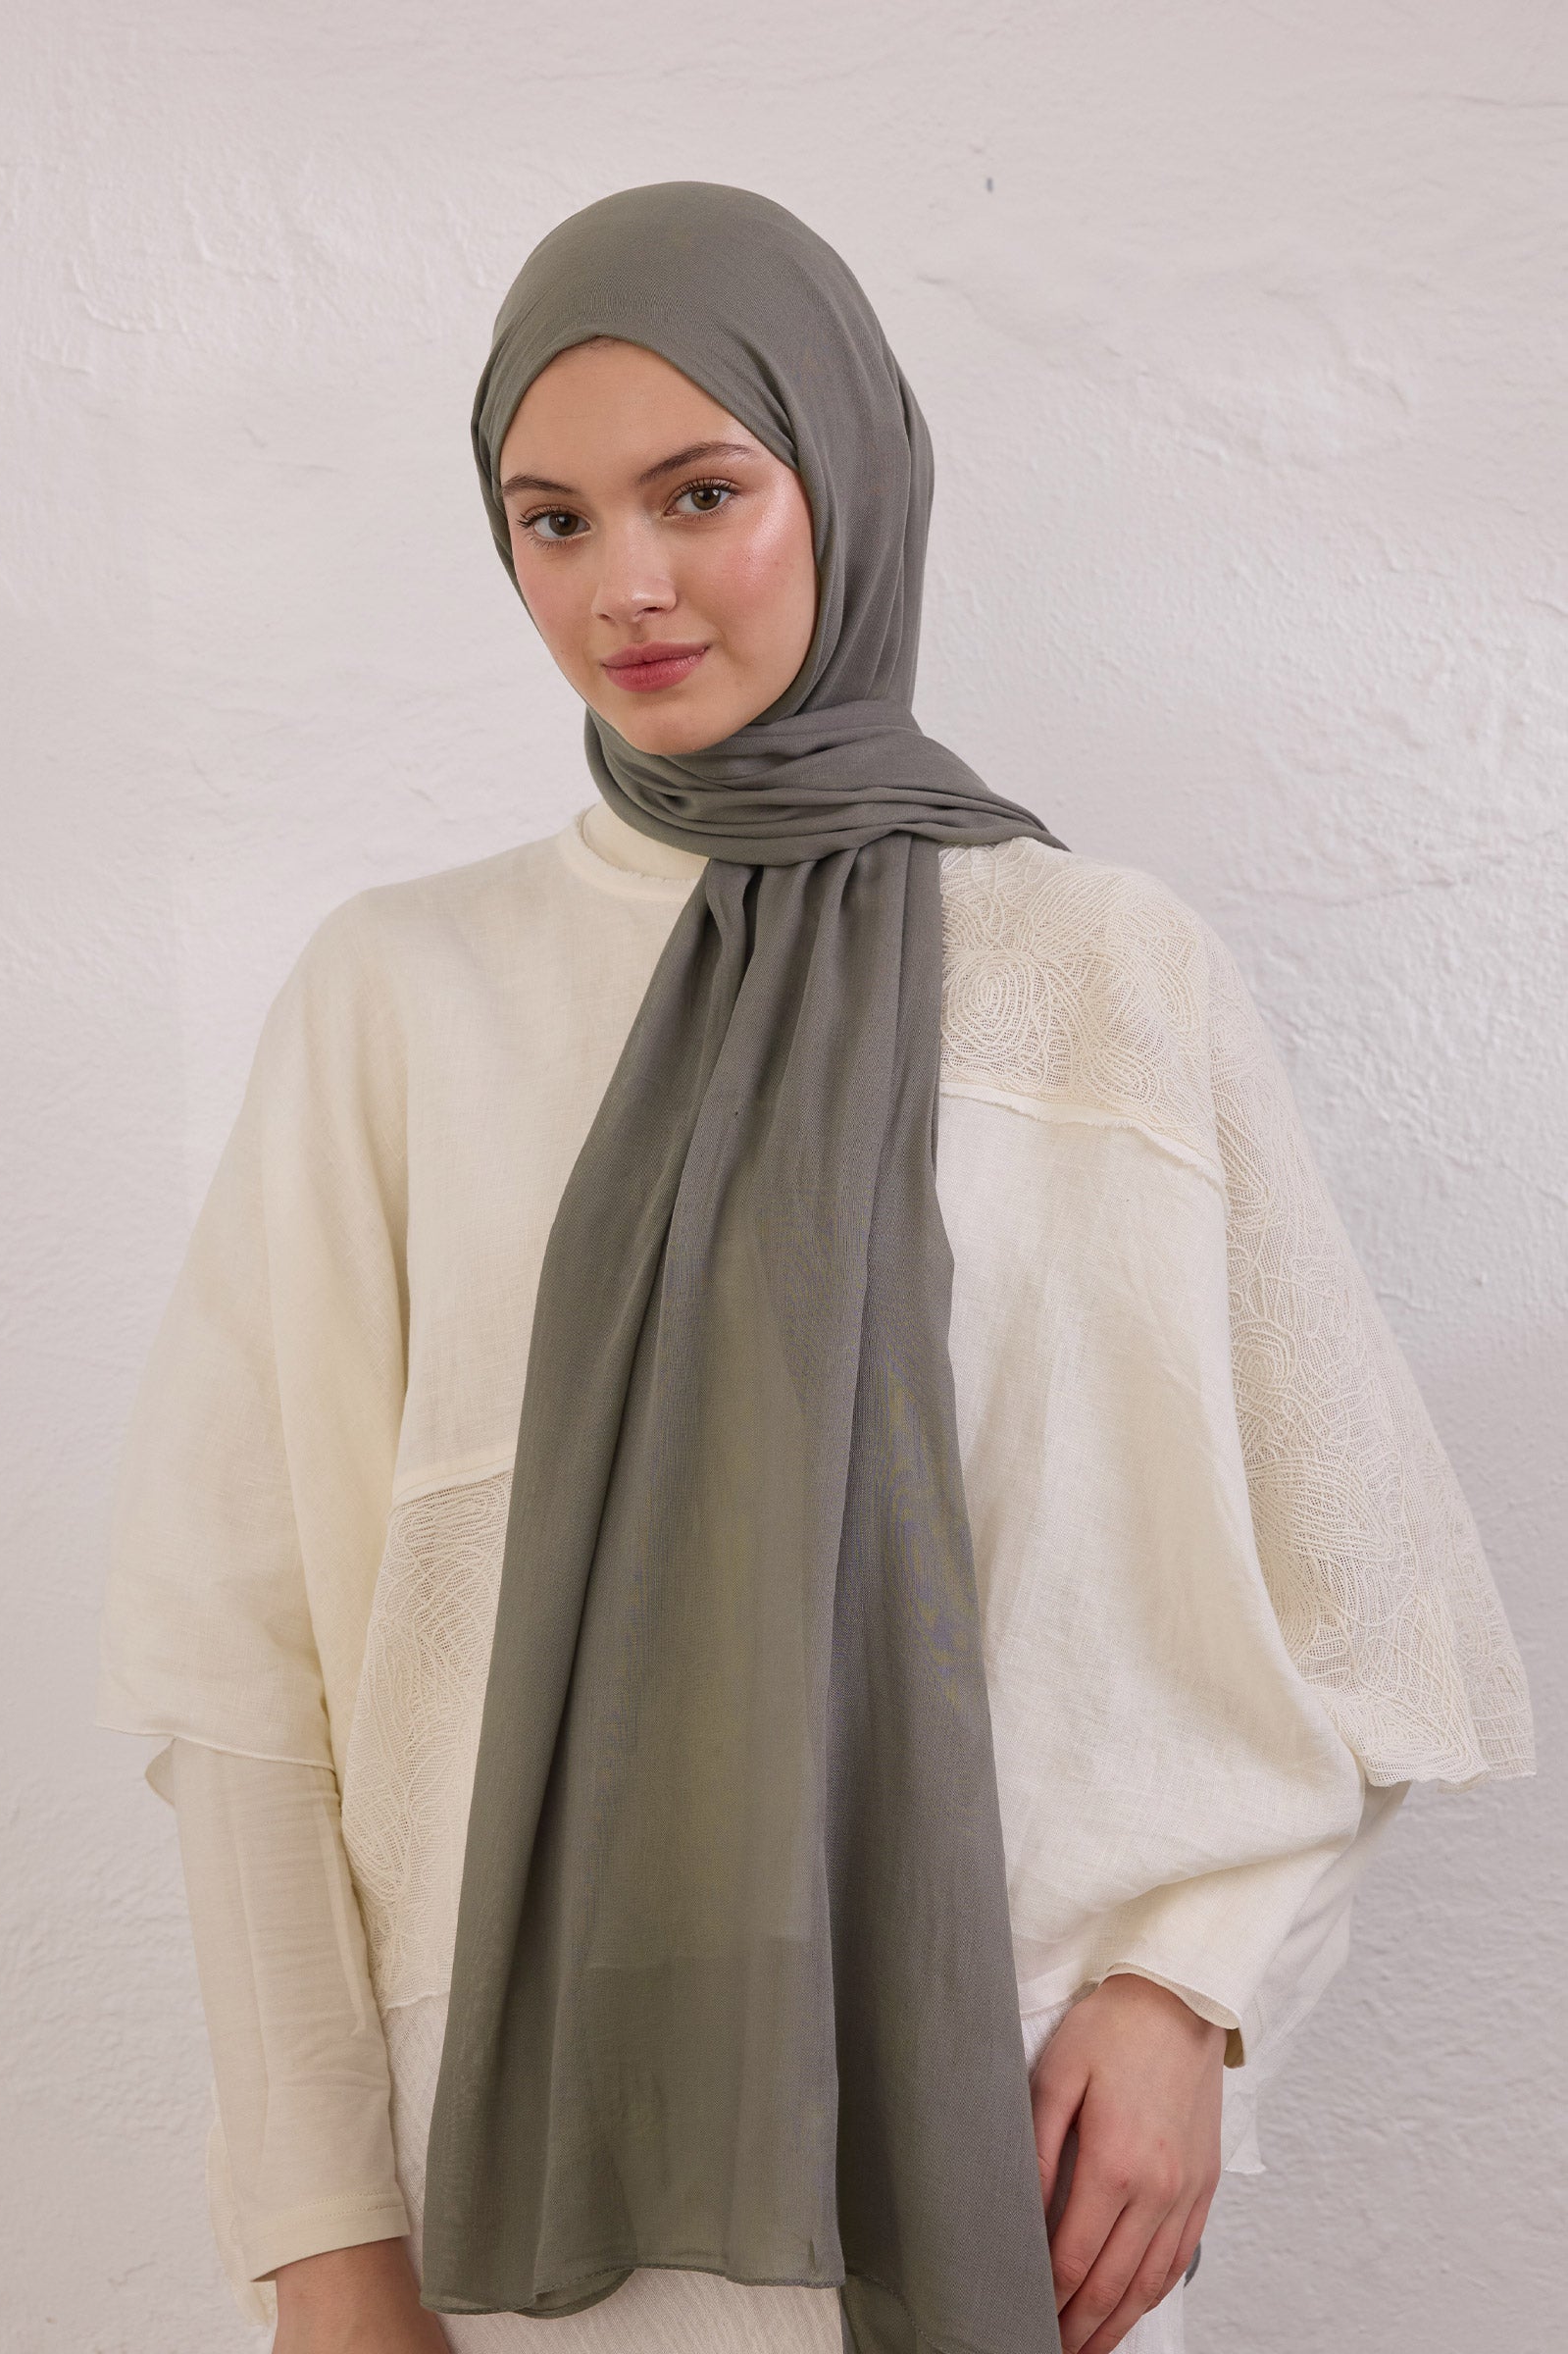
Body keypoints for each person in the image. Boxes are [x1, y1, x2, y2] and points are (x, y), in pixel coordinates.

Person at [94, 182, 1534, 2354]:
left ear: (847, 479)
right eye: (551, 520)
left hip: (1010, 2144)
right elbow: (240, 1658)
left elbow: (1366, 1598)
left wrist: (1189, 1991)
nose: (626, 585)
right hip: (516, 2172)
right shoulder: (399, 997)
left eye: (700, 493)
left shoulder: (1098, 976)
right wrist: (323, 2238)